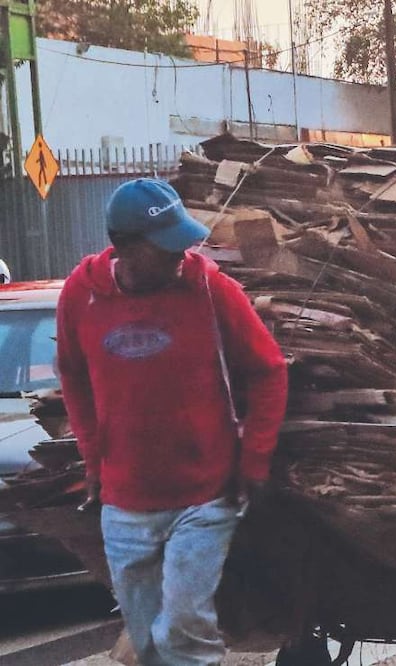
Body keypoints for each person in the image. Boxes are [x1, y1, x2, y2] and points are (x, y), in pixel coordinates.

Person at [56, 178, 288, 666]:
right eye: (165, 246)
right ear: (125, 247)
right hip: (124, 501)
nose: (180, 254)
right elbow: (73, 376)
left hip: (205, 497)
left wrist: (254, 460)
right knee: (147, 643)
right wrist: (93, 459)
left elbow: (268, 369)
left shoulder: (210, 290)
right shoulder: (82, 294)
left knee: (184, 628)